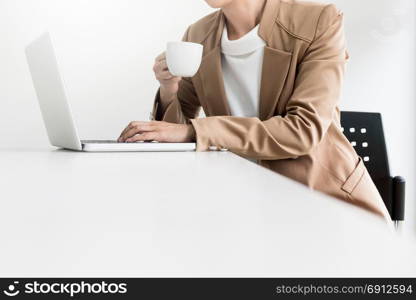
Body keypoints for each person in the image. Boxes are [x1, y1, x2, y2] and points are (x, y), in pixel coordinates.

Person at [118, 0, 391, 220]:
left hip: (325, 205)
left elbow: (303, 131)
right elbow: (178, 129)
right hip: (239, 203)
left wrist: (196, 132)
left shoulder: (318, 21)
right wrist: (169, 89)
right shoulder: (198, 35)